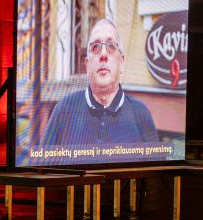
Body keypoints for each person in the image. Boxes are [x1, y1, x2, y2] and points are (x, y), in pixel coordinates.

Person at [40, 18, 160, 146]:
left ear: (121, 63)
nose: (103, 54)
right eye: (95, 47)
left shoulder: (141, 114)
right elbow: (42, 164)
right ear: (87, 65)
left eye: (111, 46)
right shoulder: (64, 109)